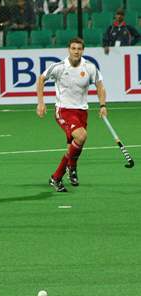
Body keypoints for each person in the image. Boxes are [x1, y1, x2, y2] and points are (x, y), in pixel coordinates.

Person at [36, 37, 107, 192]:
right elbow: (41, 79)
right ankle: (56, 177)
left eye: (79, 49)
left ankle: (72, 169)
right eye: (73, 48)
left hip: (82, 111)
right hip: (64, 110)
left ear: (83, 50)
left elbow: (100, 86)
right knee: (81, 136)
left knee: (73, 146)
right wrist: (41, 102)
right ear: (69, 49)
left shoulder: (89, 67)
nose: (76, 51)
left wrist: (102, 105)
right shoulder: (59, 67)